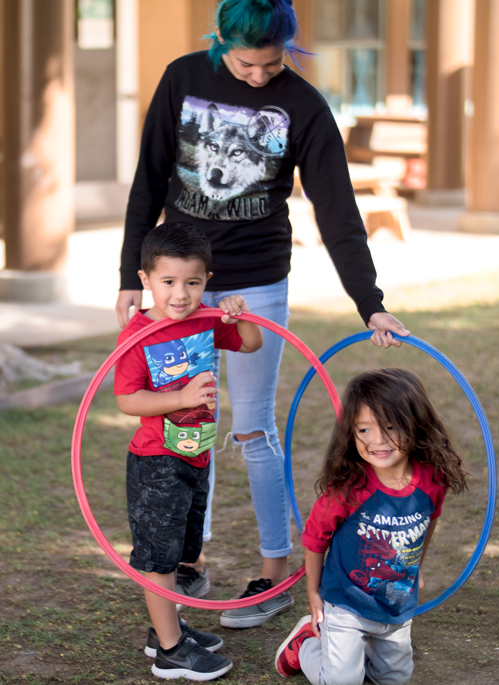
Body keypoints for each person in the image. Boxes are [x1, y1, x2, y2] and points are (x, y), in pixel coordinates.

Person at [116, 0, 410, 628]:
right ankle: (188, 559)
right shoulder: (182, 78)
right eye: (247, 63)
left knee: (251, 429)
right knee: (187, 423)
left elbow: (337, 210)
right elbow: (149, 179)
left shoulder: (302, 104)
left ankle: (276, 573)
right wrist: (129, 278)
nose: (258, 75)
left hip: (256, 283)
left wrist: (371, 304)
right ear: (219, 41)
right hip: (181, 284)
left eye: (272, 63)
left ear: (289, 49)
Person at [114, 222, 262, 680]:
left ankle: (165, 630)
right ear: (146, 280)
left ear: (207, 282)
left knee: (178, 550)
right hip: (156, 461)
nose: (181, 294)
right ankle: (171, 652)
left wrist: (242, 316)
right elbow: (127, 400)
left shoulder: (204, 321)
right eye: (168, 282)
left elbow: (251, 345)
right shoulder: (138, 336)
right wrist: (180, 400)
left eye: (193, 282)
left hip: (196, 457)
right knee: (158, 559)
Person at [275, 368, 469, 684]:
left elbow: (428, 522)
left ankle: (355, 655)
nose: (377, 440)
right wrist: (313, 593)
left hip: (395, 602)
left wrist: (416, 567)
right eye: (364, 430)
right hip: (345, 601)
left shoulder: (432, 479)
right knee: (340, 682)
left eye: (391, 427)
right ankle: (307, 645)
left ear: (416, 425)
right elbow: (314, 538)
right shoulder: (349, 487)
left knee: (394, 678)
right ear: (350, 433)